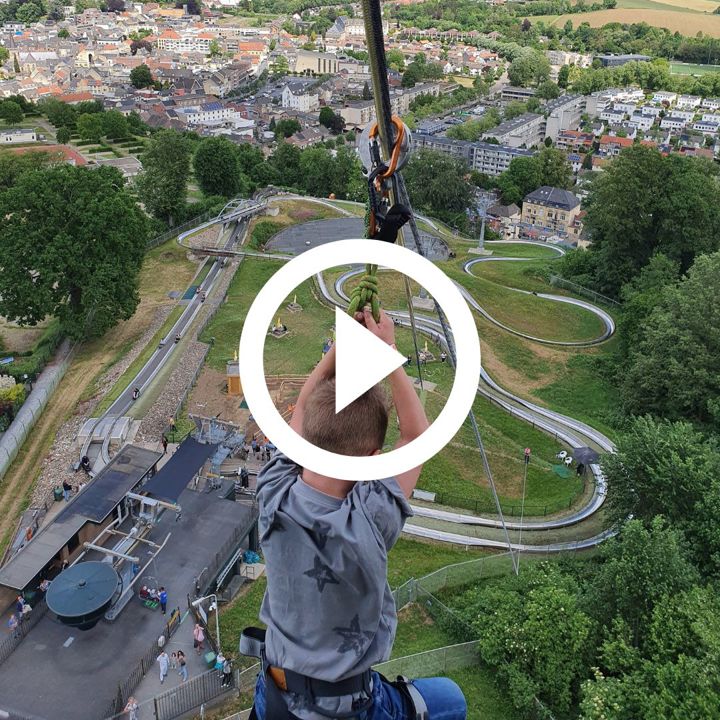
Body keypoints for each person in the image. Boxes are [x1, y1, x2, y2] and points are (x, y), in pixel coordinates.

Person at [247, 307, 466, 720]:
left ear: (307, 436)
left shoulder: (273, 489)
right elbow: (417, 435)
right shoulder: (369, 518)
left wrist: (338, 348)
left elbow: (299, 412)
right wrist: (388, 350)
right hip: (348, 705)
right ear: (373, 459)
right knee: (451, 700)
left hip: (274, 695)